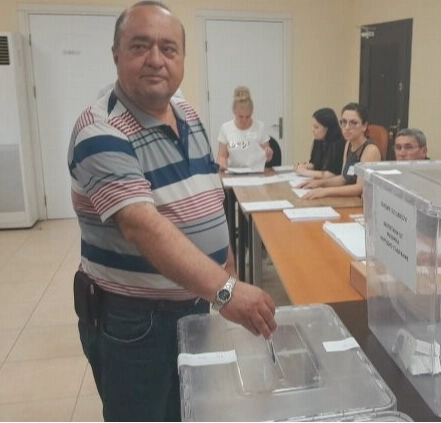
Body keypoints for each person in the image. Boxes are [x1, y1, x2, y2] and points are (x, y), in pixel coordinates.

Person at [67, 2, 277, 422]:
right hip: (134, 321)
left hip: (192, 304)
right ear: (116, 54)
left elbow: (208, 196)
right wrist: (226, 291)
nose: (156, 59)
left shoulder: (188, 114)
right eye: (139, 46)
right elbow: (143, 227)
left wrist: (227, 268)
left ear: (182, 57)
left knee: (188, 411)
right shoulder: (99, 130)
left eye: (168, 48)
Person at [300, 103, 381, 199]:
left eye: (353, 123)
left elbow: (360, 188)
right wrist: (319, 183)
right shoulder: (348, 144)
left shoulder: (370, 150)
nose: (347, 127)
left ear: (364, 126)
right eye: (344, 122)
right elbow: (343, 178)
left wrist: (325, 191)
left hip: (363, 201)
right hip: (348, 198)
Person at [217, 86, 273, 170]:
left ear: (252, 112)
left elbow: (267, 157)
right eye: (240, 116)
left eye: (247, 116)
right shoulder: (225, 128)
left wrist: (269, 153)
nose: (244, 120)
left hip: (255, 172)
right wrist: (222, 164)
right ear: (234, 111)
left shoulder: (260, 127)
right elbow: (221, 156)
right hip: (233, 172)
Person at [294, 108, 345, 178]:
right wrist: (303, 166)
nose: (313, 130)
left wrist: (305, 172)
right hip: (319, 180)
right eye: (313, 126)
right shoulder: (318, 140)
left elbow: (332, 174)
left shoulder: (339, 144)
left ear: (328, 128)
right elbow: (314, 164)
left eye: (316, 127)